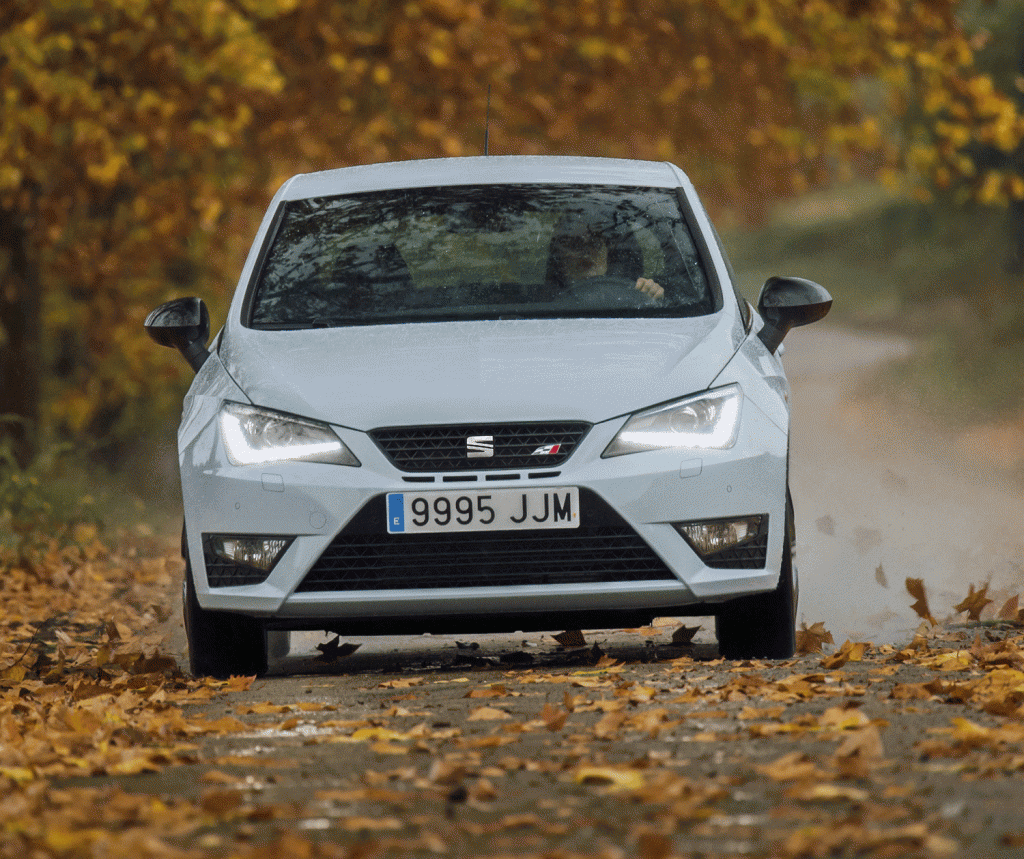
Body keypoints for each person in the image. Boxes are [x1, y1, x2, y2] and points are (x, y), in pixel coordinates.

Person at [548, 222, 664, 300]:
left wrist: (652, 296)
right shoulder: (539, 304)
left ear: (608, 254)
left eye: (595, 244)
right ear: (559, 257)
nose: (587, 254)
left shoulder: (634, 293)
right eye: (575, 245)